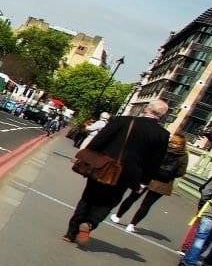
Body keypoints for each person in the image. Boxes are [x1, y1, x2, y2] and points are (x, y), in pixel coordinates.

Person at [63, 99, 169, 248]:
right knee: (109, 202)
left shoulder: (123, 121)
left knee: (88, 197)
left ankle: (71, 233)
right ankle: (90, 223)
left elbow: (100, 139)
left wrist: (87, 155)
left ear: (145, 109)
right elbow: (154, 162)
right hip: (127, 175)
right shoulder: (162, 134)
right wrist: (144, 182)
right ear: (162, 117)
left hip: (103, 166)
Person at [110, 131, 188, 233]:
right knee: (146, 205)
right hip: (163, 183)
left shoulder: (162, 147)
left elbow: (148, 161)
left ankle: (117, 216)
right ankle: (132, 225)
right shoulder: (183, 155)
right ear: (183, 144)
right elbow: (181, 172)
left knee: (132, 197)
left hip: (147, 177)